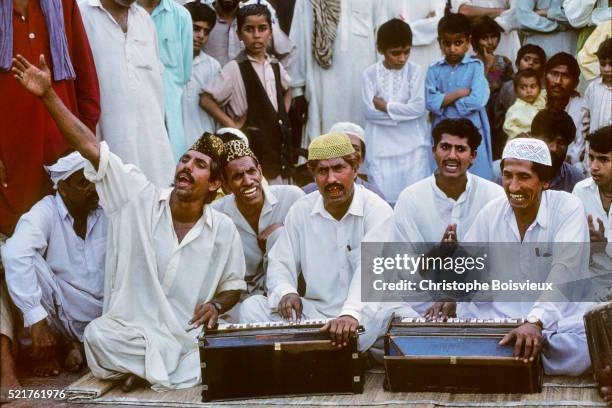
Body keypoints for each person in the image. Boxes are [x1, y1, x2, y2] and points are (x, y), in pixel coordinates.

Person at [11, 53, 246, 391]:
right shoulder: (138, 198)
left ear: (214, 184)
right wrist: (49, 95)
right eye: (185, 159)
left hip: (186, 335)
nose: (186, 168)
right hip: (131, 333)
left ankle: (141, 369)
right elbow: (92, 149)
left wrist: (215, 305)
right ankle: (155, 366)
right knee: (97, 336)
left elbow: (235, 285)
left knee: (212, 349)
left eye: (199, 165)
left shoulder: (222, 230)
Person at [238, 132, 393, 353]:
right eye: (323, 171)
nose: (331, 179)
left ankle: (311, 349)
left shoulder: (377, 210)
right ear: (313, 174)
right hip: (316, 314)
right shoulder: (301, 210)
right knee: (252, 308)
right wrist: (286, 292)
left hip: (366, 314)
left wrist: (350, 314)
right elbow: (281, 262)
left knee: (397, 320)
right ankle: (328, 349)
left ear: (355, 169)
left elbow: (372, 273)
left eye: (339, 168)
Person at [460, 137, 592, 376]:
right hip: (500, 320)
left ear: (545, 181)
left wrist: (535, 322)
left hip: (557, 323)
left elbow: (565, 271)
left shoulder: (568, 208)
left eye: (523, 177)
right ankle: (519, 353)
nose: (513, 186)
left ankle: (509, 354)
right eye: (507, 175)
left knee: (588, 345)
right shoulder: (492, 212)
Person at [0, 0, 100, 237]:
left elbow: (87, 83)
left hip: (65, 161)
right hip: (11, 164)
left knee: (67, 247)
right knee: (17, 251)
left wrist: (82, 149)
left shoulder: (64, 5)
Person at [2, 152, 106, 377]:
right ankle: (59, 345)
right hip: (60, 315)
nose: (92, 188)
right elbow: (14, 253)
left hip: (103, 316)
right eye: (83, 182)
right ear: (63, 188)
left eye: (93, 180)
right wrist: (37, 320)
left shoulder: (105, 208)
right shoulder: (47, 210)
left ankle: (78, 347)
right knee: (24, 259)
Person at [393, 118, 504, 316]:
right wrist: (437, 253)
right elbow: (404, 270)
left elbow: (502, 265)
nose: (452, 156)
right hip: (423, 301)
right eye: (445, 147)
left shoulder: (495, 196)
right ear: (434, 151)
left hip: (477, 301)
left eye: (460, 149)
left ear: (473, 156)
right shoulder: (410, 198)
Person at [78, 0, 175, 187]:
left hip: (154, 148)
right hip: (105, 143)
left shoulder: (144, 19)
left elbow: (154, 86)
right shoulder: (81, 13)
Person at [201, 3, 293, 183]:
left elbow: (288, 89)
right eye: (249, 29)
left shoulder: (274, 65)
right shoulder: (234, 68)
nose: (256, 35)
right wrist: (232, 125)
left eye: (262, 29)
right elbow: (205, 99)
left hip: (275, 146)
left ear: (270, 32)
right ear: (239, 34)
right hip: (252, 145)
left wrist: (282, 115)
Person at [212, 138, 304, 301]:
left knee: (280, 234)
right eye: (238, 176)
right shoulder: (217, 214)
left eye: (251, 172)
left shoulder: (291, 197)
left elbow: (312, 240)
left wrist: (283, 227)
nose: (248, 181)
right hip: (241, 298)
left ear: (260, 171)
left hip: (290, 294)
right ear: (225, 185)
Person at [289, 0, 379, 145]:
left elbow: (380, 36)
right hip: (322, 82)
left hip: (362, 84)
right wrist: (297, 90)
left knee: (362, 138)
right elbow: (298, 40)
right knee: (325, 139)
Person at [362, 19, 430, 205]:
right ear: (381, 50)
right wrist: (403, 116)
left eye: (407, 51)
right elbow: (369, 113)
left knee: (415, 200)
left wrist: (386, 107)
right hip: (381, 147)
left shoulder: (415, 71)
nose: (402, 58)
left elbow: (418, 108)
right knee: (381, 200)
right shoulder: (370, 74)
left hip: (413, 145)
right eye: (395, 53)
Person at [426, 12, 493, 180]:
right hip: (443, 129)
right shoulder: (434, 69)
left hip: (472, 128)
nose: (452, 48)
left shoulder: (476, 67)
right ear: (439, 43)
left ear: (468, 42)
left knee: (476, 174)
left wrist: (445, 102)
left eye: (458, 43)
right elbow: (430, 102)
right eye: (447, 43)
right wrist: (459, 93)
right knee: (444, 173)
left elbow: (478, 100)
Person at [138, 0, 193, 162]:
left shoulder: (181, 16)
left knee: (171, 165)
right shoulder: (128, 12)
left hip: (169, 112)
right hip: (135, 104)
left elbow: (185, 72)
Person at [572, 126, 612, 303]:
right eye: (591, 157)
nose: (594, 167)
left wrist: (605, 246)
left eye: (603, 159)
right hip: (588, 289)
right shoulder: (581, 190)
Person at [302, 122, 386, 201]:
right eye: (340, 148)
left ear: (362, 158)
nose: (349, 154)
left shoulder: (375, 197)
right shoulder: (306, 194)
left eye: (355, 148)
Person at [203, 0, 295, 69]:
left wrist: (275, 80)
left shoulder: (252, 16)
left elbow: (288, 51)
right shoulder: (202, 17)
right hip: (211, 91)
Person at [470, 16, 513, 158]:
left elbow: (509, 89)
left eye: (493, 37)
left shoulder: (504, 62)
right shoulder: (470, 64)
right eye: (484, 38)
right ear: (476, 41)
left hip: (498, 116)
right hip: (478, 114)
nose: (490, 42)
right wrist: (488, 66)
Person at [494, 44, 546, 156]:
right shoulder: (509, 87)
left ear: (541, 68)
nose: (530, 63)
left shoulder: (543, 90)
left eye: (536, 61)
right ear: (518, 63)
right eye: (526, 59)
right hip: (515, 137)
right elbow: (502, 118)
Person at [182, 2, 221, 147]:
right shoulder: (167, 62)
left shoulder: (213, 66)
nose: (201, 36)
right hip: (172, 145)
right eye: (196, 29)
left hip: (204, 144)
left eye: (206, 31)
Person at [544, 53, 588, 166]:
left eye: (565, 76)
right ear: (545, 76)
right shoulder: (532, 101)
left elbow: (579, 150)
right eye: (554, 74)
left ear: (576, 83)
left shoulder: (582, 107)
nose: (558, 81)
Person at [376, 0, 446, 70]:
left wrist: (400, 28)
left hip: (428, 53)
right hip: (397, 53)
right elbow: (383, 30)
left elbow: (436, 24)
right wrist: (421, 24)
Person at [451, 0, 520, 64]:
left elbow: (519, 14)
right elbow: (465, 11)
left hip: (506, 42)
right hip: (475, 43)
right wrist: (503, 12)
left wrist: (481, 21)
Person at [503, 69, 547, 139]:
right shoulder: (515, 108)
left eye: (533, 87)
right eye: (523, 88)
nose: (529, 91)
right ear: (516, 91)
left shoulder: (542, 99)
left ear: (539, 88)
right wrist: (520, 134)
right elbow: (507, 126)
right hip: (521, 141)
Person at [584, 39, 612, 134]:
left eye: (611, 64)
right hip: (594, 146)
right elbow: (585, 119)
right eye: (603, 64)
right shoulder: (593, 88)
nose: (607, 69)